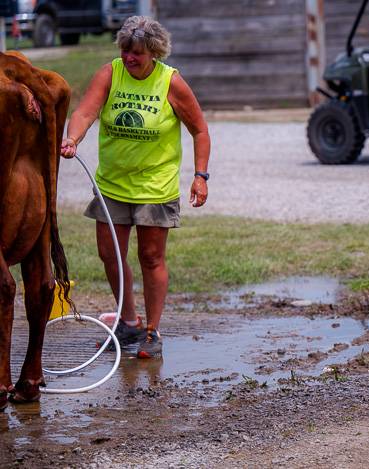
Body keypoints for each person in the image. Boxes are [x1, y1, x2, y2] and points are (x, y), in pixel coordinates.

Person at [60, 16, 210, 359]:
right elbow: (85, 111)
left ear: (154, 53)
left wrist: (201, 175)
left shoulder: (170, 82)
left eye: (137, 53)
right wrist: (74, 137)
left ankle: (152, 332)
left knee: (150, 256)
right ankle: (128, 322)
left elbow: (200, 130)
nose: (129, 57)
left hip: (155, 187)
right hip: (112, 184)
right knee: (109, 254)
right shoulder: (110, 73)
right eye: (125, 50)